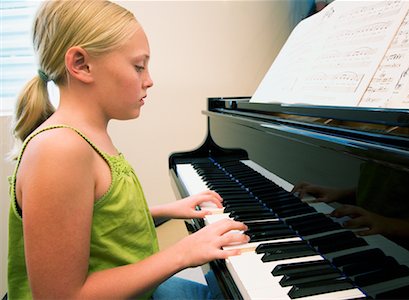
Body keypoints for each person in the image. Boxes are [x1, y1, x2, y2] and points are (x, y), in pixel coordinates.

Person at [7, 1, 249, 299]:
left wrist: (164, 211)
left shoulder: (86, 137)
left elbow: (95, 221)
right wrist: (181, 254)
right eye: (138, 66)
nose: (149, 80)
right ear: (81, 64)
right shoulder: (59, 150)